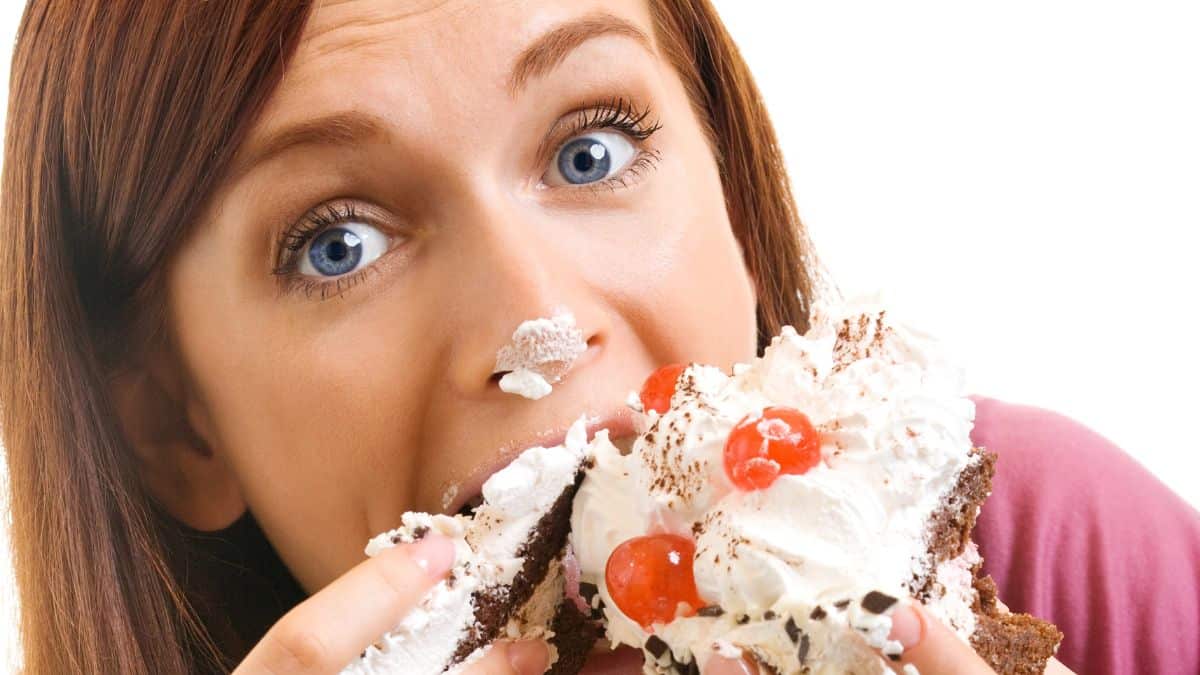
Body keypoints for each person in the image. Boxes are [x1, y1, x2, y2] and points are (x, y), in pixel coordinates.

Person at [1, 1, 1196, 674]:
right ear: (174, 426)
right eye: (338, 245)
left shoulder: (1049, 544)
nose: (543, 327)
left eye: (592, 151)